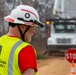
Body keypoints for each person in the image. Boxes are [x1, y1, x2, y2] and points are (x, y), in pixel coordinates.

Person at [0, 5, 44, 75]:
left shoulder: (1, 41)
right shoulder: (25, 49)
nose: (34, 32)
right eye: (33, 28)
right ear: (23, 27)